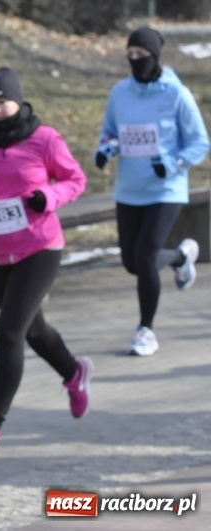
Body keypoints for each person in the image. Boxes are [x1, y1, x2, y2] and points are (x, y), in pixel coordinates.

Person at [0, 67, 91, 456]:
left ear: (19, 101)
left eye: (1, 101)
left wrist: (48, 198)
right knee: (33, 329)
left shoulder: (44, 139)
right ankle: (74, 373)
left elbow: (75, 180)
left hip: (39, 246)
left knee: (9, 332)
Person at [94, 26, 210, 356]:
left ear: (155, 57)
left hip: (166, 189)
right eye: (129, 56)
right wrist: (104, 151)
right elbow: (109, 133)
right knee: (132, 262)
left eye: (141, 55)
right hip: (129, 189)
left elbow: (200, 141)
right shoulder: (119, 93)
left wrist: (173, 163)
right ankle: (180, 256)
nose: (135, 61)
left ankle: (146, 330)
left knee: (145, 256)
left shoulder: (176, 94)